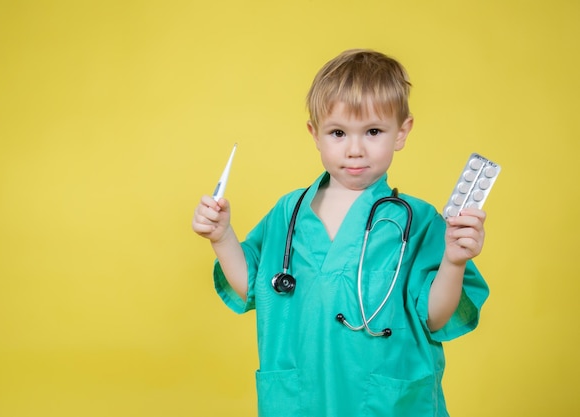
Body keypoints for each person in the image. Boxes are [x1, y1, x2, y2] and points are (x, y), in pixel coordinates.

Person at [192, 49, 489, 417]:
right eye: (337, 133)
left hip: (384, 404)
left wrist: (454, 262)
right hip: (302, 400)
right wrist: (222, 238)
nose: (354, 149)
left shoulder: (418, 221)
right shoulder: (289, 212)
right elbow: (251, 285)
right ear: (314, 134)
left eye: (374, 131)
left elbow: (434, 317)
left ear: (402, 132)